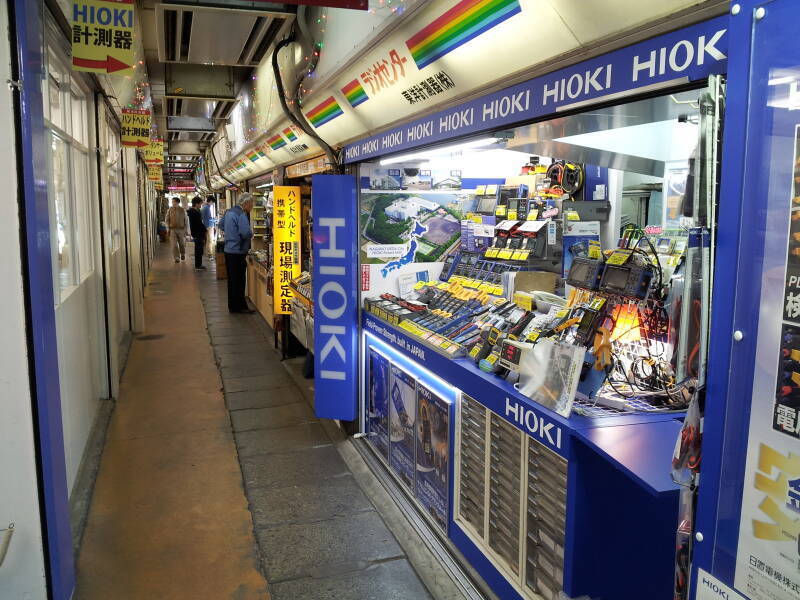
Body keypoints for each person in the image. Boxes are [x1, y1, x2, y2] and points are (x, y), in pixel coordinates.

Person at [223, 194, 255, 313]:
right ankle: (240, 307)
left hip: (228, 250)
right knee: (239, 281)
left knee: (232, 280)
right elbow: (245, 232)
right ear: (246, 203)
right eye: (251, 204)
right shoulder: (241, 214)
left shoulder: (229, 212)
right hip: (238, 251)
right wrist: (251, 233)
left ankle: (232, 306)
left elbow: (221, 225)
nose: (252, 206)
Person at [187, 196, 207, 271]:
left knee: (199, 249)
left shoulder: (193, 211)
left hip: (196, 232)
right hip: (198, 233)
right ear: (196, 203)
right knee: (198, 249)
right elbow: (199, 223)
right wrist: (205, 230)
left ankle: (199, 264)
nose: (201, 205)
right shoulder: (194, 212)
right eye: (200, 204)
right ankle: (198, 265)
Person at [165, 197, 186, 263]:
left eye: (173, 202)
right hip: (172, 230)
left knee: (182, 244)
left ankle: (182, 253)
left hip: (181, 229)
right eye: (172, 202)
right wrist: (167, 228)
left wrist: (187, 230)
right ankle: (176, 257)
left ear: (177, 202)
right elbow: (167, 220)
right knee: (174, 245)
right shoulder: (170, 210)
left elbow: (186, 220)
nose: (172, 203)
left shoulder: (182, 210)